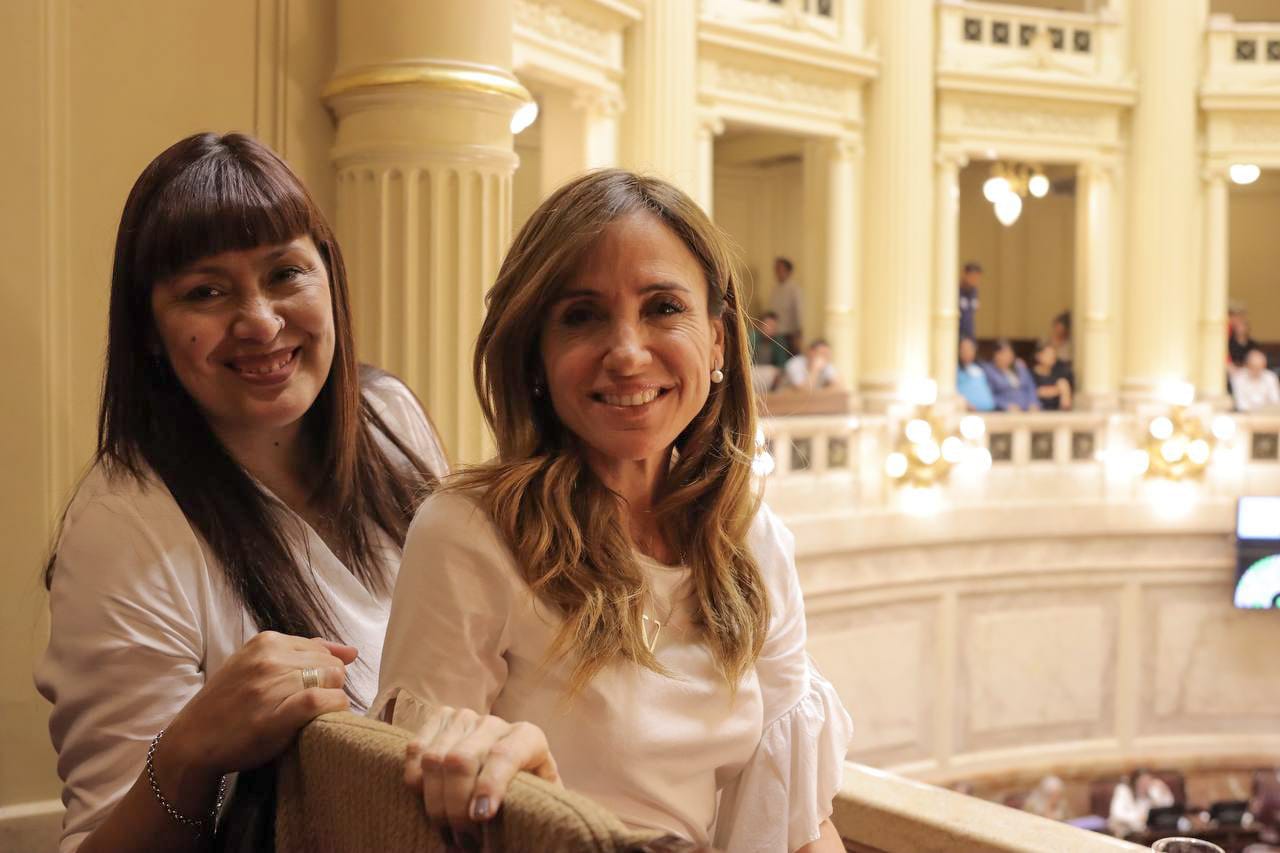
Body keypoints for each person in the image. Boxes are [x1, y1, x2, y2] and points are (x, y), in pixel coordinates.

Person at [375, 170, 853, 852]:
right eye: (582, 315)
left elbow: (801, 826)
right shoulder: (470, 535)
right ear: (535, 353)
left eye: (662, 307)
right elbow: (406, 824)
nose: (628, 352)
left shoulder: (751, 540)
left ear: (718, 341)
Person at [34, 133, 448, 853]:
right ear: (153, 335)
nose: (259, 320)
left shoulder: (389, 419)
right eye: (206, 291)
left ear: (331, 282)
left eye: (286, 272)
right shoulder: (122, 526)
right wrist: (194, 747)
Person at [1108, 769, 1175, 837]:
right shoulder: (1123, 790)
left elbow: (1167, 806)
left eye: (1148, 781)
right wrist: (1139, 817)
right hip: (1124, 832)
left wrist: (1164, 791)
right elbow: (1117, 814)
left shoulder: (1151, 792)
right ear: (1135, 781)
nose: (1145, 784)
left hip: (1146, 833)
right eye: (1142, 781)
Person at [983, 339, 1039, 412]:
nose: (1009, 355)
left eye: (1010, 352)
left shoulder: (1020, 368)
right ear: (996, 355)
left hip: (1028, 409)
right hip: (1006, 412)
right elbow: (988, 395)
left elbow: (1031, 387)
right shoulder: (989, 371)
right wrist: (1005, 406)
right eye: (1005, 352)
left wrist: (1033, 403)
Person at [749, 312, 792, 395]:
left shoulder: (779, 340)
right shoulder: (751, 337)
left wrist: (779, 372)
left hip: (771, 372)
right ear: (760, 325)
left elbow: (782, 362)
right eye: (767, 325)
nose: (769, 328)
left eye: (773, 326)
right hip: (753, 371)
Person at [770, 257, 803, 354]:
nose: (777, 272)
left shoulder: (794, 289)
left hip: (790, 334)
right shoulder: (774, 289)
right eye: (776, 269)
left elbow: (799, 312)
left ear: (788, 271)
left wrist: (797, 334)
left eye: (780, 269)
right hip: (775, 333)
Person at [1233, 347, 1280, 412]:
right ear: (1247, 365)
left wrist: (1264, 410)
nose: (1257, 370)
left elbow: (1276, 401)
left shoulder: (1270, 377)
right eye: (1254, 366)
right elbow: (1241, 404)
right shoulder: (1239, 378)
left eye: (1260, 366)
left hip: (1268, 415)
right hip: (1246, 416)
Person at [1030, 341, 1072, 411]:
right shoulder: (1030, 374)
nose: (1052, 357)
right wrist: (1056, 390)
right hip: (1037, 411)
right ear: (1038, 356)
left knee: (1063, 383)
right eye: (1048, 354)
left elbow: (1065, 392)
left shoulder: (1058, 374)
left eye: (1053, 354)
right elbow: (1033, 392)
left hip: (1055, 412)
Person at [956, 337, 995, 412]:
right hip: (968, 412)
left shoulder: (981, 368)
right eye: (964, 349)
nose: (967, 352)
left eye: (970, 348)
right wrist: (964, 403)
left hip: (989, 411)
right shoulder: (953, 370)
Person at [958, 261, 982, 341]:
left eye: (977, 277)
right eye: (972, 276)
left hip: (969, 333)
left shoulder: (974, 291)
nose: (975, 279)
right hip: (958, 333)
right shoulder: (957, 291)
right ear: (965, 274)